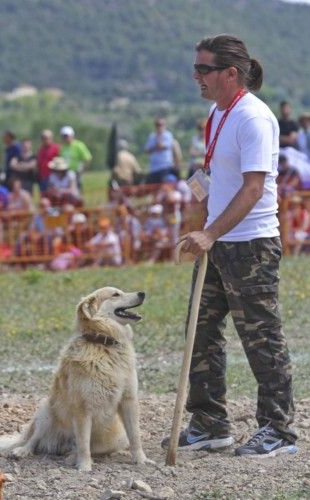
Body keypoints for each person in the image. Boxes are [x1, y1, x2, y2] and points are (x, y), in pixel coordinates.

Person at [161, 34, 297, 458]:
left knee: (262, 338)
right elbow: (218, 180)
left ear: (230, 74)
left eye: (204, 69)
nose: (196, 76)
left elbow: (254, 188)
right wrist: (200, 226)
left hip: (251, 245)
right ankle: (210, 423)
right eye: (196, 67)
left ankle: (278, 430)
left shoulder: (253, 118)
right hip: (219, 243)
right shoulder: (218, 113)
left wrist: (211, 234)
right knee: (199, 332)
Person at [144, 118, 175, 184]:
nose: (159, 126)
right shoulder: (152, 136)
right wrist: (156, 147)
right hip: (153, 168)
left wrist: (154, 147)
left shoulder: (168, 135)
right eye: (157, 125)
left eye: (161, 125)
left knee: (164, 187)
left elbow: (161, 146)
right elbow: (147, 150)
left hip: (165, 167)